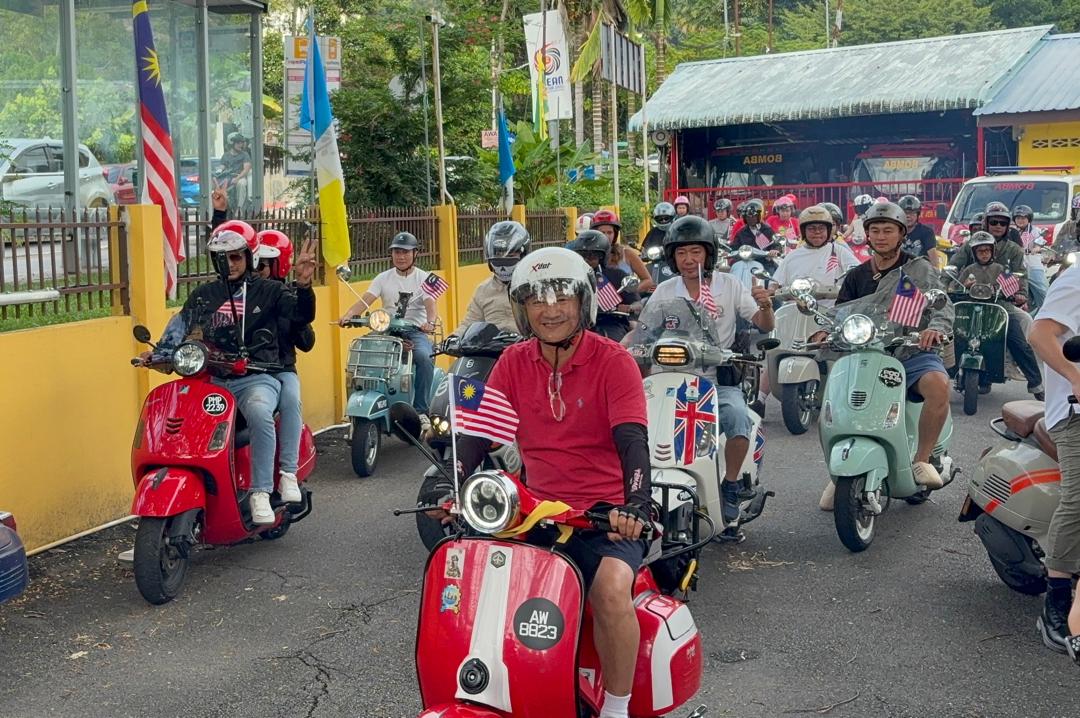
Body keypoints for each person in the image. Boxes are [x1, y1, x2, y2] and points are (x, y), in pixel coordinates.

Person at [435, 246, 652, 718]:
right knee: (478, 584)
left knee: (612, 589)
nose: (549, 310)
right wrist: (455, 487)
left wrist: (636, 504)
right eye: (535, 299)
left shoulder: (613, 362)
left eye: (561, 298)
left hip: (602, 517)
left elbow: (632, 440)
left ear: (583, 303)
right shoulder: (513, 362)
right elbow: (479, 435)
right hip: (531, 511)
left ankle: (616, 708)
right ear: (522, 308)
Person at [141, 222, 317, 523]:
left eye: (236, 256)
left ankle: (261, 491)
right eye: (223, 257)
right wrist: (160, 352)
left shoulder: (270, 290)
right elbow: (181, 325)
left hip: (255, 377)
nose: (230, 263)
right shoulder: (204, 294)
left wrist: (302, 284)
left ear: (250, 256)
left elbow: (302, 316)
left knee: (261, 412)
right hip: (213, 378)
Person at [816, 202, 954, 510]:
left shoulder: (918, 268)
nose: (881, 237)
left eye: (888, 230)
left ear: (901, 234)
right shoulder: (856, 276)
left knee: (938, 386)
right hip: (864, 353)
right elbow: (839, 314)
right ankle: (839, 474)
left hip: (910, 350)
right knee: (834, 402)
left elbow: (942, 306)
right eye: (875, 230)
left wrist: (934, 328)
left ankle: (921, 459)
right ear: (866, 235)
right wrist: (825, 332)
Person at [647, 215, 775, 531]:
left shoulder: (729, 285)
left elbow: (763, 324)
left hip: (718, 378)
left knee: (737, 419)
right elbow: (644, 331)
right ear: (672, 257)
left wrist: (767, 306)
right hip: (668, 377)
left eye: (696, 252)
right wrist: (620, 349)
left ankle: (730, 484)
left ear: (709, 253)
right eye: (681, 253)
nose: (689, 260)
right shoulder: (665, 290)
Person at [1028, 266, 1080, 662]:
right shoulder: (1077, 280)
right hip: (1074, 412)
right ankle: (1057, 599)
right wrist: (1074, 377)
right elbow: (1041, 333)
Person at [339, 232, 439, 426]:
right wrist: (349, 314)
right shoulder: (383, 278)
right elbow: (365, 300)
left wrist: (431, 322)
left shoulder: (424, 278)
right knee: (363, 354)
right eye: (396, 252)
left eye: (405, 252)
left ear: (415, 254)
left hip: (414, 330)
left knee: (424, 359)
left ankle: (420, 410)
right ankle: (366, 401)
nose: (400, 256)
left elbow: (430, 305)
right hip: (386, 330)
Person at [949, 202, 1044, 397]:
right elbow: (953, 267)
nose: (998, 226)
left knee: (1018, 338)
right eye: (994, 221)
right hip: (969, 302)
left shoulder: (1013, 250)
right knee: (945, 332)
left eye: (1003, 222)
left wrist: (1021, 294)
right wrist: (946, 286)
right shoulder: (970, 245)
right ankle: (940, 373)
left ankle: (1036, 383)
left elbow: (1019, 275)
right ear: (986, 222)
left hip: (1000, 303)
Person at [254, 230, 316, 504]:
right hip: (245, 370)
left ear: (278, 264)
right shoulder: (245, 293)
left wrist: (301, 293)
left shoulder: (287, 296)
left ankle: (287, 472)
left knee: (291, 400)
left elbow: (307, 341)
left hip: (280, 369)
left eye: (263, 264)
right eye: (255, 263)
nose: (258, 270)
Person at [453, 221, 529, 336]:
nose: (503, 261)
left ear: (523, 255)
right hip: (491, 350)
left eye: (510, 256)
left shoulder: (534, 287)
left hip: (526, 349)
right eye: (498, 255)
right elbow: (469, 323)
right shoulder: (483, 290)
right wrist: (453, 339)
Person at [771, 205, 859, 305]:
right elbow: (776, 282)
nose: (817, 232)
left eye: (821, 228)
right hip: (797, 314)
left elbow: (858, 271)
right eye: (812, 228)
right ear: (804, 231)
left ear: (828, 231)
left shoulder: (838, 251)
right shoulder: (792, 256)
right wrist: (770, 290)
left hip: (830, 314)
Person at [567, 230, 640, 342]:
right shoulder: (570, 279)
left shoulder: (617, 275)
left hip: (610, 322)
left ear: (602, 257)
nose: (586, 260)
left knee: (618, 343)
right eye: (582, 255)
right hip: (577, 324)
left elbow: (637, 304)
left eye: (592, 256)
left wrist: (629, 307)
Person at [591, 209, 655, 294]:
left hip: (627, 305)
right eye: (602, 232)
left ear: (615, 234)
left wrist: (629, 293)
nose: (606, 236)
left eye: (609, 232)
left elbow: (648, 281)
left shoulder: (627, 254)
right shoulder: (588, 256)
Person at [1013, 204, 1048, 314]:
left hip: (1033, 264)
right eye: (1018, 218)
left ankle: (1048, 310)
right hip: (1018, 266)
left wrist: (1036, 248)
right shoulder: (1013, 232)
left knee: (1043, 290)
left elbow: (1040, 241)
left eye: (1023, 218)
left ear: (1029, 218)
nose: (1020, 220)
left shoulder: (1035, 230)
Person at [730, 198, 779, 272]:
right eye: (748, 216)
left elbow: (776, 244)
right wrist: (728, 252)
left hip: (764, 263)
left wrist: (774, 250)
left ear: (759, 216)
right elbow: (734, 248)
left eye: (754, 216)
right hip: (745, 263)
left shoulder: (768, 230)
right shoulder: (741, 232)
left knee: (772, 274)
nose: (751, 218)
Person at [897, 194, 940, 265]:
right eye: (905, 213)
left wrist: (936, 274)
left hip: (920, 271)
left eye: (912, 213)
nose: (908, 216)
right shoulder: (894, 231)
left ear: (918, 215)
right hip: (897, 271)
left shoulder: (927, 232)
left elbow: (933, 257)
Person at [218, 132, 252, 206]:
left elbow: (246, 169)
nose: (241, 145)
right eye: (238, 143)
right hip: (228, 177)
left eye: (242, 143)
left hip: (240, 177)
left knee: (241, 184)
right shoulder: (226, 155)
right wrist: (218, 171)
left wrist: (237, 178)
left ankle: (239, 208)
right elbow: (222, 166)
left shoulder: (245, 155)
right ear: (232, 143)